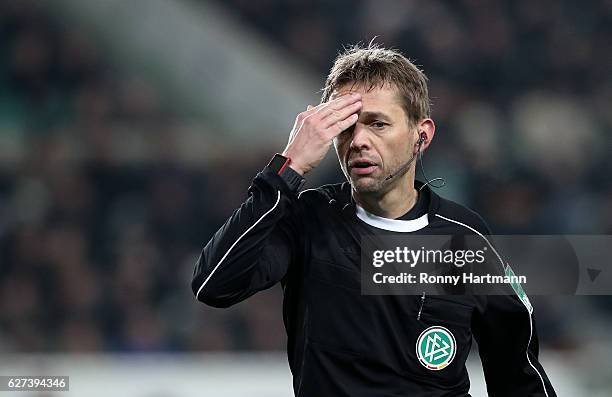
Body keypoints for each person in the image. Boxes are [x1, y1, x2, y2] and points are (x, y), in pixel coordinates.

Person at [191, 43, 557, 397]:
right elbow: (214, 284)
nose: (359, 141)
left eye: (378, 124)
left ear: (421, 135)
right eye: (346, 127)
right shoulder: (307, 220)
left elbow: (518, 371)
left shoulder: (464, 238)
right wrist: (287, 169)